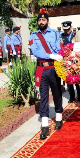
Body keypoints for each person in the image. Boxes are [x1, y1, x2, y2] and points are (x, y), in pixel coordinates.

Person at [29, 9, 63, 139]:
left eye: (43, 20)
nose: (41, 22)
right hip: (41, 69)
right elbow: (36, 52)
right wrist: (50, 55)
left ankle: (59, 118)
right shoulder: (33, 35)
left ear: (47, 21)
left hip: (53, 68)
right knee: (43, 97)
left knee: (57, 94)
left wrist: (58, 55)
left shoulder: (55, 33)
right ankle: (45, 126)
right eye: (39, 20)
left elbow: (59, 48)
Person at [60, 21, 80, 102]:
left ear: (71, 28)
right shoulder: (61, 36)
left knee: (77, 79)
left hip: (75, 60)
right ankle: (71, 96)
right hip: (66, 61)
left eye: (68, 29)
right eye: (65, 29)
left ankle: (79, 95)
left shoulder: (75, 36)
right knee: (68, 80)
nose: (66, 31)